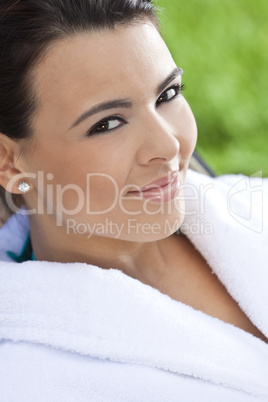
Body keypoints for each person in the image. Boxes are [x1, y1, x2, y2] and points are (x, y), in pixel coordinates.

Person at [0, 1, 267, 400]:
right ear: (9, 162)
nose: (169, 145)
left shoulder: (249, 209)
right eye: (107, 124)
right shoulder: (32, 379)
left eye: (167, 94)